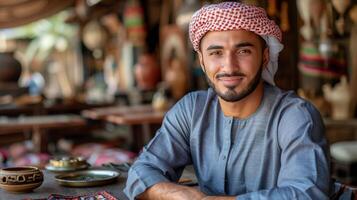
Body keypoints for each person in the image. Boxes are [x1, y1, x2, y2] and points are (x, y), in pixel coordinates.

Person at [124, 2, 331, 200]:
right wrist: (185, 196)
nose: (229, 66)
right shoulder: (191, 110)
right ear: (202, 61)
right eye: (216, 53)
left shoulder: (294, 115)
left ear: (265, 56)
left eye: (243, 51)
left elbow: (307, 194)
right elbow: (140, 173)